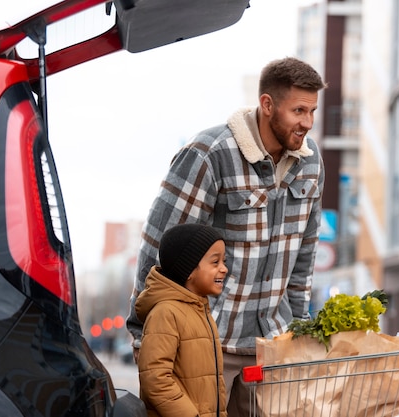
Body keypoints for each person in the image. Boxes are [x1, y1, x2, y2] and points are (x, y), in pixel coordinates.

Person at [127, 56, 327, 416]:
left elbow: (304, 258)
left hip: (271, 346)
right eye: (299, 111)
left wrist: (298, 331)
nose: (308, 123)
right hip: (207, 343)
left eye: (312, 111)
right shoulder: (210, 153)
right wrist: (147, 335)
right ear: (267, 105)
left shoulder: (310, 164)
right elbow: (161, 246)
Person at [136, 223, 228, 417]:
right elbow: (155, 378)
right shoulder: (166, 312)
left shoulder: (200, 311)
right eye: (215, 262)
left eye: (224, 261)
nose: (224, 269)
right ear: (189, 270)